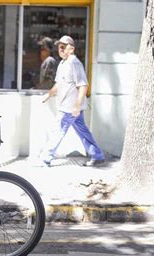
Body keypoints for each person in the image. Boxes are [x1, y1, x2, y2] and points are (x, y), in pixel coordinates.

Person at [41, 35, 105, 167]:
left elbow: (83, 86)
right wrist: (48, 95)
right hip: (69, 107)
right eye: (60, 47)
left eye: (64, 47)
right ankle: (97, 155)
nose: (61, 49)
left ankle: (46, 157)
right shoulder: (63, 64)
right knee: (83, 131)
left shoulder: (74, 63)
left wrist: (76, 106)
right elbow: (58, 84)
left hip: (70, 108)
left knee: (58, 130)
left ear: (72, 48)